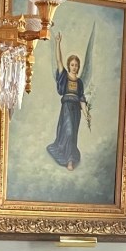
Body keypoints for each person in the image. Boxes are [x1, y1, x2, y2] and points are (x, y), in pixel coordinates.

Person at [46, 32, 92, 171]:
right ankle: (69, 160)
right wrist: (58, 43)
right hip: (66, 108)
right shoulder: (65, 76)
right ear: (69, 65)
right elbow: (59, 60)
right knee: (68, 131)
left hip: (75, 111)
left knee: (73, 134)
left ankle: (70, 158)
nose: (74, 67)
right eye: (72, 65)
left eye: (76, 65)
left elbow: (82, 99)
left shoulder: (80, 82)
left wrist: (86, 113)